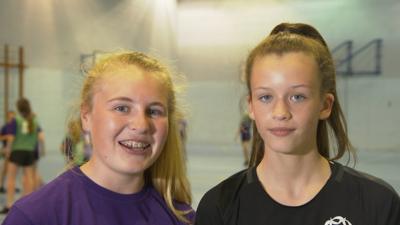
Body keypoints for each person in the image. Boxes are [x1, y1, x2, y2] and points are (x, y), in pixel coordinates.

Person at [195, 23, 400, 225]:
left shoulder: (377, 204)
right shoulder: (219, 207)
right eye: (266, 97)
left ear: (325, 105)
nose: (280, 112)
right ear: (251, 106)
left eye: (298, 97)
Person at [2, 51, 195, 225]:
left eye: (154, 111)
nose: (142, 125)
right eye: (121, 108)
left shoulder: (182, 217)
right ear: (86, 116)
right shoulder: (35, 216)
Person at [0, 99, 43, 214]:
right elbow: (40, 136)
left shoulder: (16, 120)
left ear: (18, 109)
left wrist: (8, 150)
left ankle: (9, 204)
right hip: (29, 152)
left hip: (17, 150)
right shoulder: (34, 120)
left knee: (11, 178)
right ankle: (30, 204)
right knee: (29, 178)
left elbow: (11, 138)